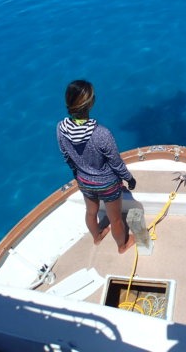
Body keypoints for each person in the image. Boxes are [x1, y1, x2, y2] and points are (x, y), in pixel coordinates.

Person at [57, 79, 136, 253]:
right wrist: (129, 179)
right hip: (107, 183)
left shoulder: (61, 128)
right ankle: (122, 246)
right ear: (90, 103)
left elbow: (66, 156)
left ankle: (97, 237)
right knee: (115, 219)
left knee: (91, 212)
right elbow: (116, 162)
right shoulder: (101, 133)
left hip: (84, 181)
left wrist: (78, 174)